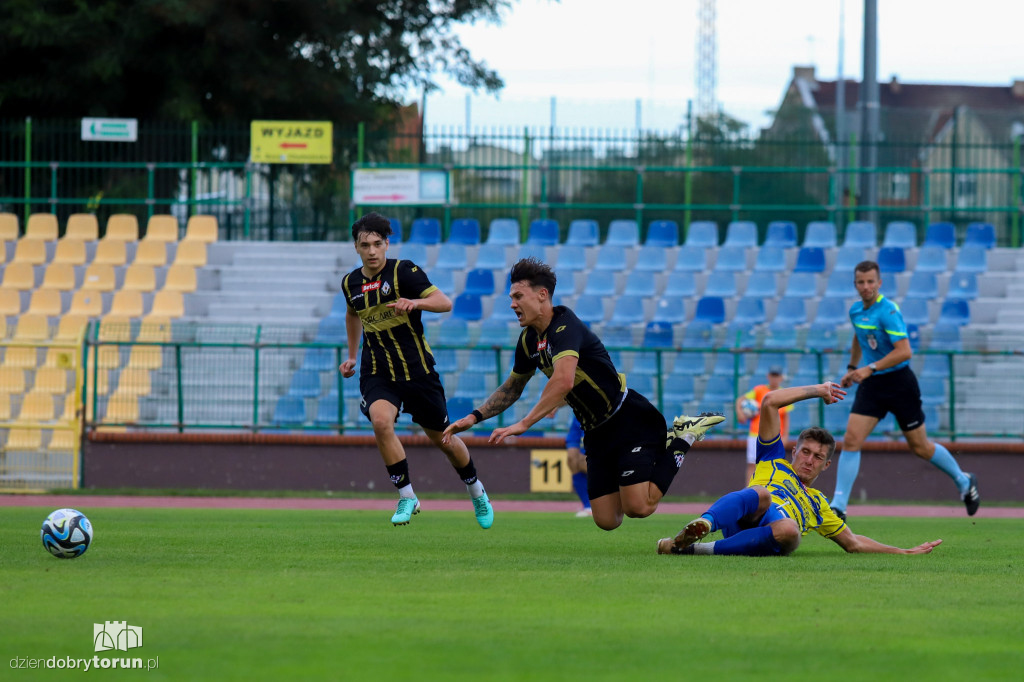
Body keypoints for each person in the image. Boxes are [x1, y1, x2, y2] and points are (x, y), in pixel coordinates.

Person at [442, 257, 724, 531]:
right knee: (607, 520)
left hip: (628, 419)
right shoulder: (529, 341)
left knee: (639, 508)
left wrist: (524, 423)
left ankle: (682, 436)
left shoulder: (566, 327)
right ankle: (636, 471)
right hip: (596, 432)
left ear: (542, 295)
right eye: (511, 297)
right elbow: (513, 387)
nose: (512, 304)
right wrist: (474, 417)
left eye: (518, 296)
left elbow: (563, 380)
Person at [657, 381, 944, 557]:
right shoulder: (773, 462)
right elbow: (769, 402)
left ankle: (690, 549)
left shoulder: (819, 504)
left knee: (789, 530)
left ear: (827, 465)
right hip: (745, 518)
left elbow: (853, 543)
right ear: (795, 451)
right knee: (761, 494)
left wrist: (902, 551)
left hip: (771, 537)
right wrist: (818, 390)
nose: (809, 460)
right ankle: (705, 524)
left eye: (817, 457)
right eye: (805, 452)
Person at [339, 211, 494, 529]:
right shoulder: (350, 282)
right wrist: (353, 356)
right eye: (364, 244)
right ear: (356, 247)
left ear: (387, 244)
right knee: (381, 422)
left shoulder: (403, 271)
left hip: (419, 372)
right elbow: (353, 315)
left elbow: (445, 302)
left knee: (445, 440)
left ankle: (476, 491)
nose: (371, 251)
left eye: (377, 244)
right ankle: (407, 495)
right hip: (378, 371)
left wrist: (416, 303)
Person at [831, 260, 979, 520]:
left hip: (899, 383)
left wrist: (869, 368)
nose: (866, 287)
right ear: (855, 284)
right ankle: (839, 506)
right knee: (851, 439)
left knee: (920, 446)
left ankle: (964, 480)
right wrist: (853, 366)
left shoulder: (888, 311)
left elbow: (904, 351)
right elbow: (858, 336)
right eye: (861, 282)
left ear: (879, 283)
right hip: (873, 385)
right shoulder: (856, 311)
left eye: (870, 282)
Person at [735, 366, 791, 484]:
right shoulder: (759, 390)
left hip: (776, 435)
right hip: (756, 433)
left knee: (772, 465)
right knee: (752, 464)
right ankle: (749, 489)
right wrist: (740, 412)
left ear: (781, 378)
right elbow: (740, 400)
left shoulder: (784, 393)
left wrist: (785, 436)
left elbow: (786, 417)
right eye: (772, 376)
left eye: (777, 376)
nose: (774, 379)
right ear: (768, 376)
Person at [565, 414, 591, 517]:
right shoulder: (578, 416)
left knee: (586, 461)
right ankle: (588, 506)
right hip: (581, 417)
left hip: (600, 418)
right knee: (572, 459)